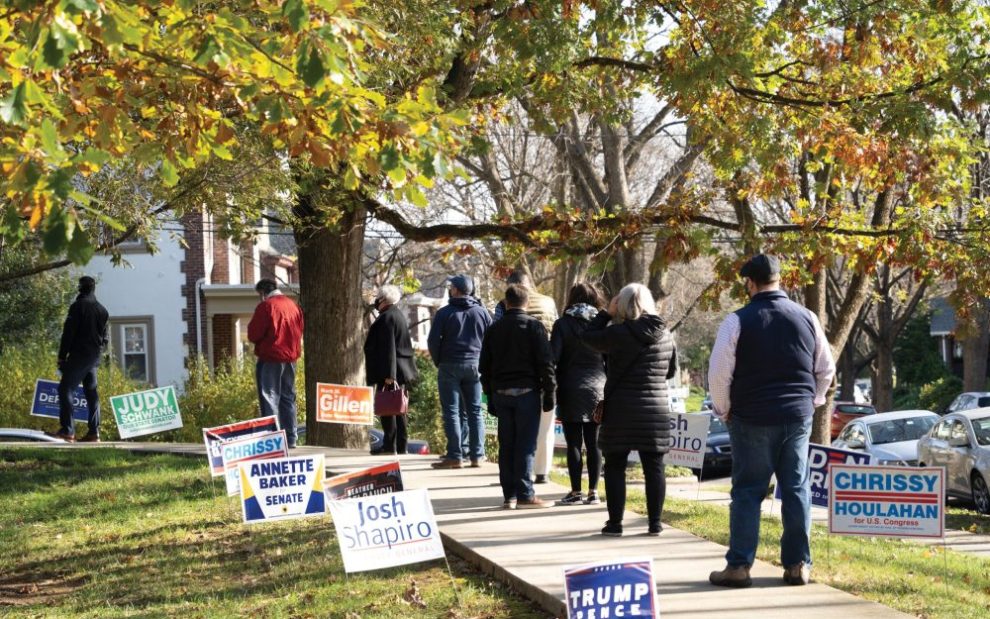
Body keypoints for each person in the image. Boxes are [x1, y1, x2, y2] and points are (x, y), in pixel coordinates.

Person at [707, 254, 835, 588]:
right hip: (796, 416)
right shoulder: (807, 317)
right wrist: (814, 400)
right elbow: (826, 368)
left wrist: (724, 410)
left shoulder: (737, 321)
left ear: (750, 283)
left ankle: (738, 566)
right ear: (780, 279)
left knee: (748, 491)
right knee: (795, 489)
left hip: (751, 417)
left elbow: (719, 374)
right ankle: (797, 565)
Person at [581, 283, 677, 537]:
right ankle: (655, 523)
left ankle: (615, 523)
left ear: (620, 305)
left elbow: (587, 337)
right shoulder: (665, 334)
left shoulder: (617, 334)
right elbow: (671, 372)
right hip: (654, 410)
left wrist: (605, 314)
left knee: (614, 465)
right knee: (654, 467)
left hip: (620, 410)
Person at [480, 284, 556, 508]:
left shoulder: (494, 329)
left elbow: (485, 366)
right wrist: (550, 391)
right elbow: (546, 362)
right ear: (527, 303)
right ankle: (525, 494)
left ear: (506, 302)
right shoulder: (534, 327)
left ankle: (509, 495)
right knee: (525, 445)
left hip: (501, 392)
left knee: (507, 445)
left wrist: (489, 394)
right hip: (527, 392)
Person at [494, 269, 558, 483]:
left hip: (515, 375)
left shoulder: (504, 305)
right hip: (547, 367)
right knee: (546, 425)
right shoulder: (549, 302)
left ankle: (520, 476)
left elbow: (497, 333)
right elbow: (555, 331)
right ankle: (542, 471)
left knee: (516, 431)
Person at [427, 274, 492, 468]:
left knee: (452, 412)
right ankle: (477, 455)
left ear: (455, 290)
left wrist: (439, 361)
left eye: (451, 286)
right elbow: (491, 340)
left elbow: (432, 341)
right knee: (475, 411)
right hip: (475, 365)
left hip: (449, 365)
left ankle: (455, 456)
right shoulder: (482, 312)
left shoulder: (444, 313)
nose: (450, 289)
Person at [551, 283, 607, 505]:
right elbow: (609, 357)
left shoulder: (562, 324)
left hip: (570, 387)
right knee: (594, 443)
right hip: (598, 388)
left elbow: (553, 356)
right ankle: (594, 492)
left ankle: (575, 492)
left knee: (573, 442)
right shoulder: (601, 324)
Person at [51, 276, 109, 442]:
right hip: (93, 357)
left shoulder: (77, 307)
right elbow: (105, 338)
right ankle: (94, 432)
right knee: (91, 392)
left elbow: (68, 333)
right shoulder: (102, 310)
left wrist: (62, 356)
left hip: (79, 355)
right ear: (93, 289)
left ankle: (68, 430)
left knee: (65, 389)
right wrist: (97, 351)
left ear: (79, 288)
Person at [247, 278, 305, 449]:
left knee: (269, 396)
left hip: (271, 357)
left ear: (263, 292)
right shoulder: (294, 306)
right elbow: (300, 329)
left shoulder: (266, 306)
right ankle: (291, 437)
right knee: (288, 397)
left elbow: (253, 334)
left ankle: (272, 438)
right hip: (291, 358)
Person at [364, 285, 418, 454]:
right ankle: (401, 446)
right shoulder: (397, 315)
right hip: (401, 370)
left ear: (384, 300)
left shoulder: (387, 318)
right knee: (399, 409)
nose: (376, 300)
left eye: (378, 297)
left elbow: (389, 348)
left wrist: (389, 375)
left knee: (388, 409)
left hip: (390, 372)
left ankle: (390, 446)